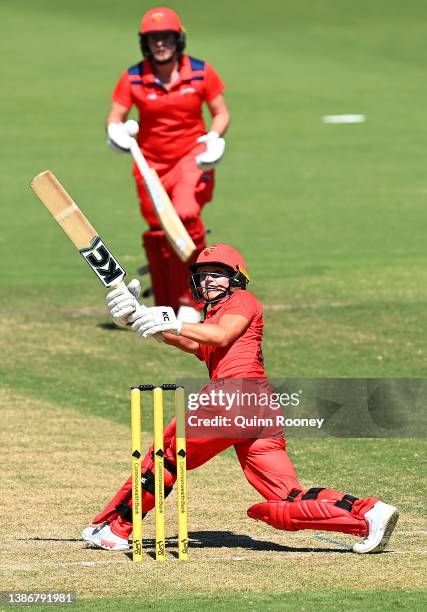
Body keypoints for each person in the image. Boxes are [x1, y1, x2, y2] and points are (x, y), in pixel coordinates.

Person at [83, 244, 399, 555]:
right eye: (203, 275)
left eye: (217, 274)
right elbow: (198, 345)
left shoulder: (241, 300)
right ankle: (367, 515)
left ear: (236, 278)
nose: (208, 281)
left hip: (233, 397)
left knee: (166, 454)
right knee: (286, 497)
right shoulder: (212, 313)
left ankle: (117, 527)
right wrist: (142, 320)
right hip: (261, 409)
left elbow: (220, 335)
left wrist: (172, 322)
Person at [106, 7, 230, 323]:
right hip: (149, 164)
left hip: (191, 157)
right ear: (145, 43)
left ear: (178, 40)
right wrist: (115, 133)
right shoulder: (134, 76)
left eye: (166, 37)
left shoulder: (201, 72)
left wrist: (214, 138)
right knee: (158, 228)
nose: (161, 44)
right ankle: (165, 304)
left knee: (186, 214)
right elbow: (116, 116)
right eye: (154, 38)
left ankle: (195, 299)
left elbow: (220, 112)